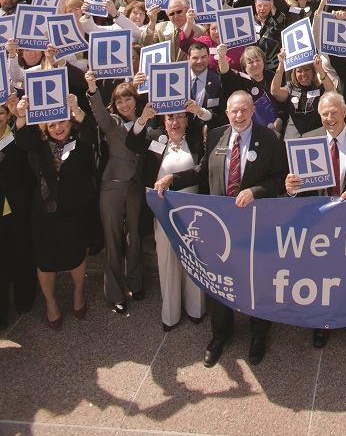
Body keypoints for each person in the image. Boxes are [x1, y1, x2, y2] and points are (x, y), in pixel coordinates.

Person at [163, 89, 287, 368]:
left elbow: (279, 179)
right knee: (220, 279)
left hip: (255, 224)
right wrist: (172, 178)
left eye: (245, 110)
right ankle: (220, 334)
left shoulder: (270, 139)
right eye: (234, 111)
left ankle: (258, 334)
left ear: (253, 111)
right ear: (228, 112)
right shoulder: (217, 136)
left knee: (255, 280)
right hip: (220, 225)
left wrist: (256, 191)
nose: (239, 115)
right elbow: (203, 171)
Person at [285, 92, 346, 349]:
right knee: (321, 274)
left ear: (344, 112)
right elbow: (299, 188)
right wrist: (291, 188)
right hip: (320, 223)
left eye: (334, 112)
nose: (329, 118)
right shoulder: (307, 140)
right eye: (325, 114)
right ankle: (322, 322)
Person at [13, 91, 97, 328]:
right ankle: (50, 301)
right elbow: (22, 140)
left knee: (76, 254)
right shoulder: (40, 144)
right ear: (45, 127)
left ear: (70, 121)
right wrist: (20, 115)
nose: (57, 128)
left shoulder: (81, 138)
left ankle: (78, 291)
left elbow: (92, 133)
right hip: (44, 211)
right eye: (52, 124)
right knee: (45, 259)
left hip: (75, 209)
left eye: (62, 122)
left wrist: (78, 110)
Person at [127, 107, 206, 332]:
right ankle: (170, 313)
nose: (175, 122)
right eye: (171, 117)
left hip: (194, 214)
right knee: (167, 261)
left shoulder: (197, 138)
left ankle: (196, 308)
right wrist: (142, 119)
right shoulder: (156, 139)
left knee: (194, 261)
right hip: (164, 214)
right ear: (164, 119)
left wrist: (199, 111)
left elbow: (204, 168)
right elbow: (132, 143)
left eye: (180, 116)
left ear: (187, 119)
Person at [85, 73, 145, 314]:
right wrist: (91, 88)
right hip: (112, 186)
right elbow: (97, 110)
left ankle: (136, 281)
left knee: (135, 236)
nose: (124, 105)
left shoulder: (146, 119)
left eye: (127, 99)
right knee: (113, 239)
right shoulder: (111, 122)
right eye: (119, 101)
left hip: (136, 186)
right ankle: (115, 292)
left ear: (134, 99)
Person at [0, 98, 37, 327]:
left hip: (17, 208)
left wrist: (19, 115)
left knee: (23, 253)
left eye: (1, 113)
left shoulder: (15, 137)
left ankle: (25, 299)